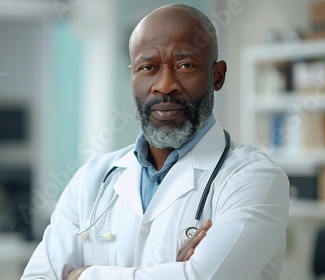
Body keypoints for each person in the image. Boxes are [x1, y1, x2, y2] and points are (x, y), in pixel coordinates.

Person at [21, 4, 289, 280]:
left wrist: (82, 275)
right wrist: (176, 271)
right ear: (133, 76)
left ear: (216, 76)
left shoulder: (255, 179)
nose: (164, 85)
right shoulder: (91, 179)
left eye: (185, 65)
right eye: (148, 67)